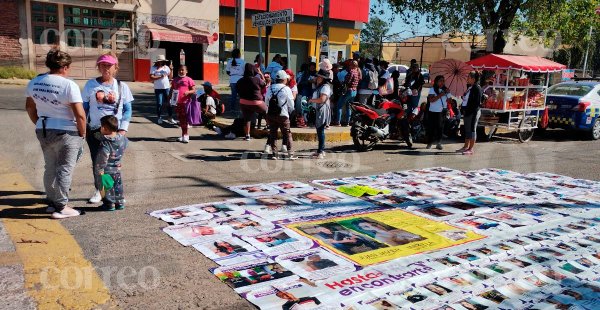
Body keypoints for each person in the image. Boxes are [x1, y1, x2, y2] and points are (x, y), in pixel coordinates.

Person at [25, 50, 86, 219]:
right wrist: (83, 133)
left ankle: (52, 202)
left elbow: (30, 107)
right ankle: (62, 206)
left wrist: (39, 122)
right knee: (65, 168)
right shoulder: (68, 85)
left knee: (50, 166)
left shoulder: (35, 82)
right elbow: (80, 114)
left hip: (43, 128)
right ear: (65, 67)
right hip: (67, 131)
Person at [83, 53, 134, 204]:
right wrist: (82, 126)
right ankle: (100, 190)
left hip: (114, 133)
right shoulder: (90, 85)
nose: (106, 68)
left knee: (112, 165)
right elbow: (84, 108)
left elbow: (127, 110)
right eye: (103, 65)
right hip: (95, 131)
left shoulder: (122, 86)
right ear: (98, 67)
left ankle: (115, 192)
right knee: (97, 163)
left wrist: (123, 129)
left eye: (109, 65)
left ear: (115, 68)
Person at [94, 115, 128, 211]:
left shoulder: (105, 143)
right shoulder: (122, 139)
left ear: (104, 128)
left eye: (101, 126)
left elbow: (103, 156)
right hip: (117, 167)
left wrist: (100, 169)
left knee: (107, 187)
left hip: (106, 169)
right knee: (118, 186)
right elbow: (126, 144)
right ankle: (120, 202)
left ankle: (109, 204)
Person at [265, 70, 296, 159]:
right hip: (283, 114)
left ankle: (274, 154)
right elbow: (291, 103)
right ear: (284, 79)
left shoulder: (270, 88)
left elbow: (266, 101)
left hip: (271, 114)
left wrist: (267, 114)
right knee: (287, 133)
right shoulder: (287, 89)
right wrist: (291, 112)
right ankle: (290, 154)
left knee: (273, 133)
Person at [236, 63, 266, 140]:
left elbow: (238, 91)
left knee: (247, 119)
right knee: (266, 111)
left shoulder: (240, 81)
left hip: (243, 102)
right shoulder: (256, 80)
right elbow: (264, 84)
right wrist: (260, 73)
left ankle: (247, 135)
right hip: (256, 102)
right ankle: (269, 127)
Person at [308, 69, 333, 159]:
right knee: (320, 131)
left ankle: (321, 151)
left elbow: (322, 99)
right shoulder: (320, 86)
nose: (317, 78)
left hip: (322, 110)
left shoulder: (325, 87)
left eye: (319, 76)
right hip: (319, 109)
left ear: (323, 78)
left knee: (320, 131)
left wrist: (311, 100)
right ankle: (320, 150)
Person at [169, 66, 196, 143]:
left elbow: (194, 90)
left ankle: (186, 135)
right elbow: (172, 89)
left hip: (186, 103)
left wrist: (188, 92)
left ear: (186, 71)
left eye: (182, 70)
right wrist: (169, 98)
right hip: (177, 103)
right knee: (181, 119)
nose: (181, 71)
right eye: (180, 70)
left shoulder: (189, 80)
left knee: (185, 119)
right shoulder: (175, 80)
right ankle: (183, 135)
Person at [459, 71, 482, 155]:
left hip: (473, 112)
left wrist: (469, 110)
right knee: (467, 129)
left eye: (468, 77)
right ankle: (465, 146)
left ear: (473, 79)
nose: (467, 79)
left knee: (472, 130)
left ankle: (471, 148)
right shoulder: (470, 87)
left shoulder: (477, 88)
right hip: (467, 112)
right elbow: (467, 99)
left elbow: (476, 102)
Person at [426, 75, 450, 150]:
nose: (442, 82)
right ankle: (429, 142)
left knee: (440, 128)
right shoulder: (432, 89)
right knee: (431, 128)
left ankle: (439, 143)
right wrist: (441, 95)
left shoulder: (446, 90)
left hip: (442, 111)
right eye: (440, 81)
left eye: (443, 81)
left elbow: (449, 101)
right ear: (436, 82)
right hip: (433, 111)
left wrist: (448, 96)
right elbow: (431, 100)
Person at [149, 55, 173, 124]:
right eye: (159, 61)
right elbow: (151, 77)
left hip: (166, 88)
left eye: (162, 61)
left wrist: (171, 69)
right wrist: (160, 76)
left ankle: (170, 117)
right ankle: (159, 117)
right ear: (157, 62)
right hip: (158, 88)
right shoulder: (153, 68)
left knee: (169, 102)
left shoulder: (166, 67)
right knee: (159, 103)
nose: (161, 62)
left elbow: (170, 77)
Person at [335, 60, 360, 126]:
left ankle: (338, 122)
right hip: (354, 91)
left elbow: (347, 81)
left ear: (352, 65)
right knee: (348, 107)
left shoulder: (351, 71)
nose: (349, 66)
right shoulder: (357, 72)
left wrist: (342, 82)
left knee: (339, 106)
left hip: (348, 91)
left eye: (350, 65)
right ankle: (347, 122)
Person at [226, 48, 245, 113]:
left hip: (232, 80)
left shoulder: (229, 61)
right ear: (239, 54)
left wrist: (233, 74)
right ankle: (241, 109)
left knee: (233, 95)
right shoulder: (243, 61)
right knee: (241, 96)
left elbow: (228, 72)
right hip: (241, 80)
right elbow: (245, 71)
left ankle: (232, 109)